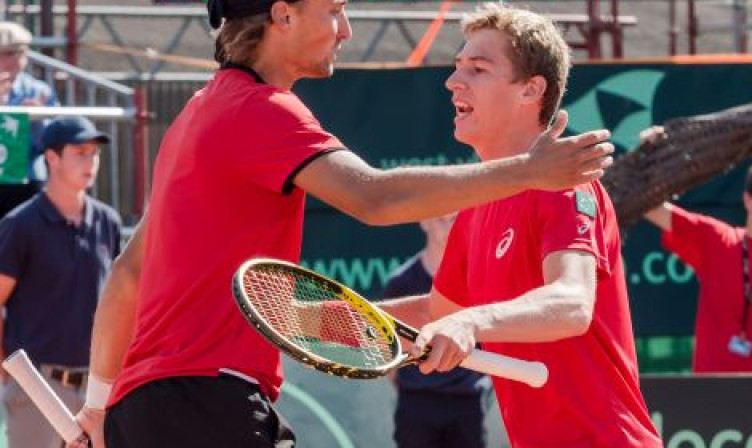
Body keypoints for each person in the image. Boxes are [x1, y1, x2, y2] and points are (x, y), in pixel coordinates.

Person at [69, 0, 614, 447]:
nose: (346, 30)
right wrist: (529, 171)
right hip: (206, 406)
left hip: (144, 412)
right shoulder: (261, 110)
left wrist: (97, 406)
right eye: (333, 10)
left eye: (476, 68)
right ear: (283, 16)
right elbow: (372, 197)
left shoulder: (196, 113)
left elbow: (126, 275)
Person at [380, 4, 662, 447]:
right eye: (457, 68)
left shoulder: (566, 185)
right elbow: (439, 314)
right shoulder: (475, 207)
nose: (453, 82)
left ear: (531, 90)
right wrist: (328, 319)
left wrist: (473, 321)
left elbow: (572, 304)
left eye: (478, 68)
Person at [0, 115, 121, 448]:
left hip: (97, 389)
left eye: (94, 153)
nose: (91, 161)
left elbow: (118, 303)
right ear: (51, 158)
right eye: (79, 152)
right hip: (37, 388)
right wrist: (11, 374)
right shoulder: (20, 225)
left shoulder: (107, 221)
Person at [643, 155, 752, 373]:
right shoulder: (717, 239)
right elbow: (652, 207)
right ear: (747, 199)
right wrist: (654, 153)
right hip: (714, 384)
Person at [380, 213, 492, 448]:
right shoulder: (400, 282)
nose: (449, 225)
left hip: (468, 401)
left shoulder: (479, 277)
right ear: (424, 221)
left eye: (455, 219)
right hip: (417, 404)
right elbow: (387, 348)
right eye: (442, 218)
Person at [0, 21, 62, 216]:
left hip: (27, 179)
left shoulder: (39, 92)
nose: (6, 61)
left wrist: (38, 119)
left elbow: (53, 143)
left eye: (14, 54)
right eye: (2, 54)